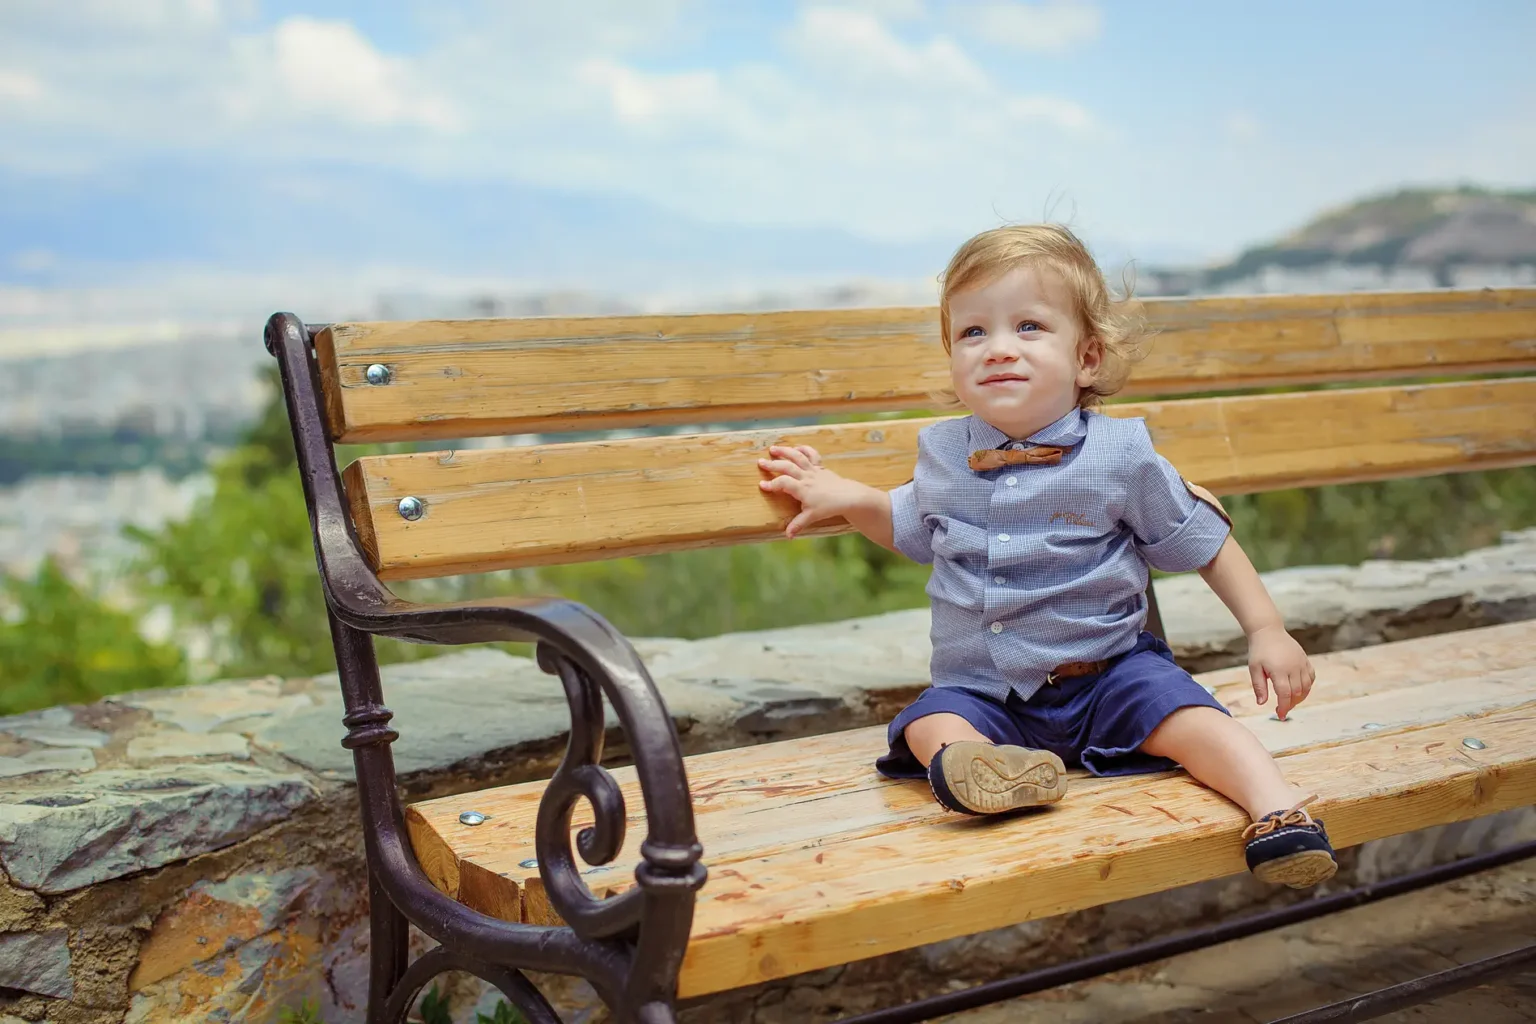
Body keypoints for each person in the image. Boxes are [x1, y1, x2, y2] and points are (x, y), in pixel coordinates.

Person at [755, 224, 1337, 889]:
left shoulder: (1121, 455)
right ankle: (995, 770)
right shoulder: (942, 454)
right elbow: (912, 527)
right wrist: (849, 497)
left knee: (1193, 717)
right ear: (953, 359)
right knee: (928, 723)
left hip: (1111, 675)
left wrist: (1266, 630)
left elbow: (1203, 540)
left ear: (1086, 358)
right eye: (973, 332)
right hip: (986, 692)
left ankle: (1278, 813)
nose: (998, 347)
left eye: (1028, 326)